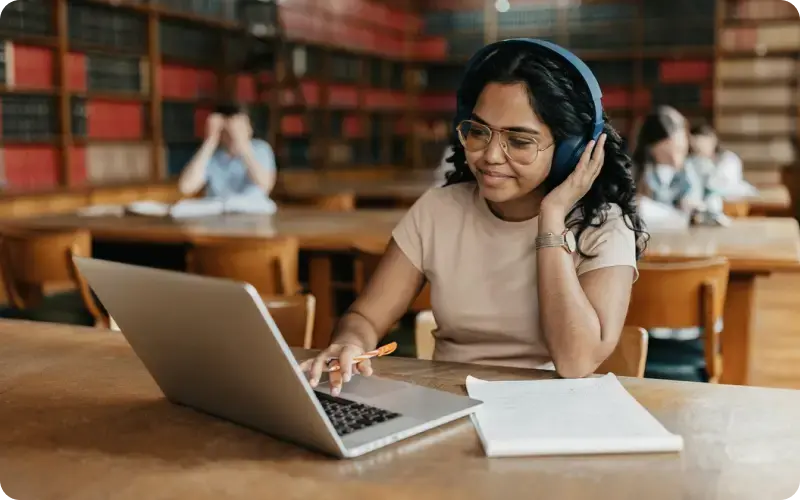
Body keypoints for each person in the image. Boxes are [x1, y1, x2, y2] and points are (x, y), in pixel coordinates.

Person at [302, 39, 648, 395]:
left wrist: (552, 217)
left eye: (520, 141)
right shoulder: (439, 210)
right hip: (449, 403)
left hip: (554, 414)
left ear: (570, 150)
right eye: (479, 132)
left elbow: (576, 361)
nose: (490, 156)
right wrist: (351, 343)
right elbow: (365, 318)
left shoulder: (603, 226)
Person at [177, 103, 277, 210]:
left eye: (240, 128)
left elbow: (265, 185)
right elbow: (186, 187)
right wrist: (210, 141)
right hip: (217, 217)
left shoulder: (261, 148)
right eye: (226, 131)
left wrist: (243, 146)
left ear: (250, 129)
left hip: (253, 215)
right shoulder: (212, 153)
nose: (232, 134)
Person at [632, 106, 704, 213]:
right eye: (668, 153)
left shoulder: (692, 167)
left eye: (680, 150)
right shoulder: (636, 171)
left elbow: (697, 196)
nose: (675, 159)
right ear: (651, 148)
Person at [687, 123, 756, 198]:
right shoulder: (691, 162)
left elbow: (722, 185)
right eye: (694, 145)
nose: (697, 147)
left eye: (701, 142)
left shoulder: (728, 159)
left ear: (713, 140)